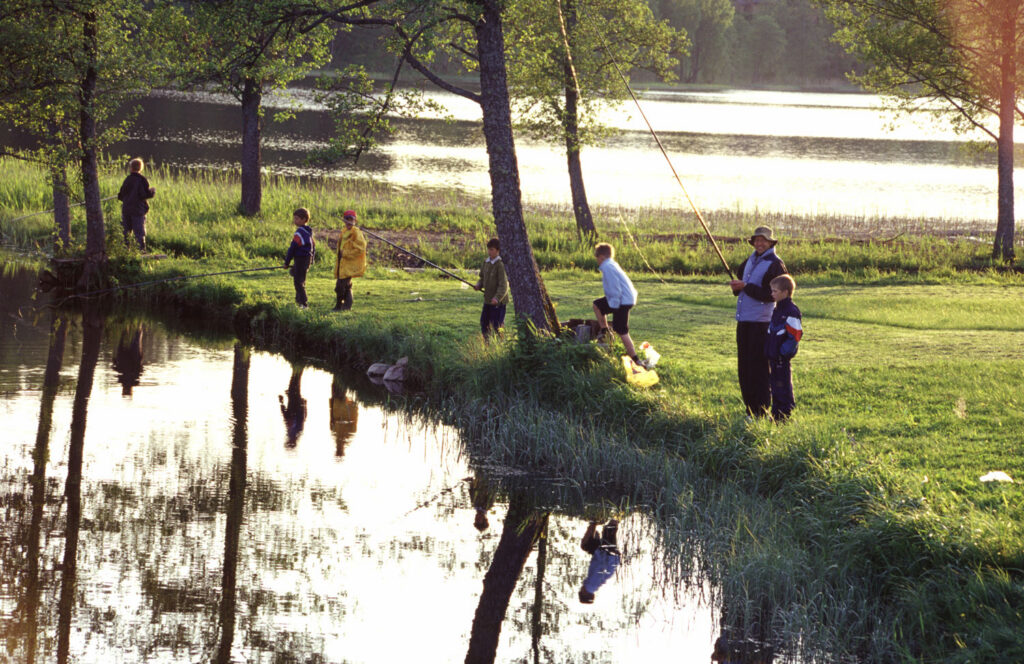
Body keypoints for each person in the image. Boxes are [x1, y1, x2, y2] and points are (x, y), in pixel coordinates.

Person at [729, 226, 788, 418]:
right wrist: (738, 287)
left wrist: (746, 286)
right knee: (744, 368)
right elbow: (742, 286)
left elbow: (773, 295)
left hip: (762, 324)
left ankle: (762, 412)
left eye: (764, 240)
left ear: (771, 243)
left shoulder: (776, 264)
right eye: (757, 240)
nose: (760, 243)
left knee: (759, 369)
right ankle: (750, 410)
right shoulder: (749, 261)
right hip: (744, 321)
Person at [592, 243, 640, 365]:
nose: (597, 261)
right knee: (597, 305)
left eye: (597, 258)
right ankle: (605, 332)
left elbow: (615, 288)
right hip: (623, 298)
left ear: (601, 257)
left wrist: (614, 307)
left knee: (621, 329)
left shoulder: (607, 267)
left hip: (622, 300)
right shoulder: (611, 264)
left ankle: (636, 359)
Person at [765, 274, 802, 421]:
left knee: (783, 386)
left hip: (781, 358)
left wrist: (783, 353)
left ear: (785, 292)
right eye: (772, 290)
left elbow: (795, 335)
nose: (772, 294)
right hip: (773, 356)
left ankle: (784, 415)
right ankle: (776, 414)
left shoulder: (791, 311)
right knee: (775, 386)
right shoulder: (777, 310)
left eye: (775, 291)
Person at [473, 238, 509, 340]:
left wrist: (497, 298)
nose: (489, 252)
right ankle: (487, 343)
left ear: (498, 250)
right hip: (488, 300)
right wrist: (478, 285)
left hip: (498, 303)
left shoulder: (500, 265)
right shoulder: (486, 262)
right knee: (484, 323)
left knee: (497, 326)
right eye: (488, 249)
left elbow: (504, 285)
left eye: (492, 249)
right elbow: (482, 278)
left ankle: (498, 344)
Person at [578, 519, 621, 604]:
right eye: (580, 591)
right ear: (584, 593)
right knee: (585, 545)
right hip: (607, 556)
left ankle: (601, 521)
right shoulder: (590, 586)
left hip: (611, 557)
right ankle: (594, 521)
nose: (580, 589)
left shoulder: (593, 587)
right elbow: (599, 569)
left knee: (609, 530)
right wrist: (601, 552)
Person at [117, 158, 155, 251]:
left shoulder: (127, 179)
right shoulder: (142, 180)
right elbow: (144, 195)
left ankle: (126, 250)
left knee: (126, 232)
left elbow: (121, 196)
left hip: (126, 210)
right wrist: (152, 192)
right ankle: (141, 251)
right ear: (140, 168)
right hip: (138, 211)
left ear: (131, 168)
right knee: (139, 233)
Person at [333, 210, 367, 312]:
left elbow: (360, 248)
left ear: (355, 221)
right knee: (345, 286)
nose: (348, 222)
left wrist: (346, 254)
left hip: (350, 264)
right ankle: (345, 306)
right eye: (346, 219)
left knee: (340, 286)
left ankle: (340, 306)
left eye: (351, 219)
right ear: (344, 220)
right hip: (342, 263)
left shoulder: (356, 233)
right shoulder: (344, 231)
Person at [283, 208, 315, 309]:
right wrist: (312, 260)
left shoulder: (299, 232)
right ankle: (298, 301)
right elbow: (313, 246)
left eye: (296, 219)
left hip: (300, 259)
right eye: (294, 218)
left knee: (298, 282)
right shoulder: (308, 232)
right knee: (301, 279)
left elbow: (292, 248)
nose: (294, 221)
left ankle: (304, 303)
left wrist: (287, 262)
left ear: (304, 219)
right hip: (306, 259)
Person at [279, 365, 307, 448]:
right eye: (288, 442)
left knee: (294, 383)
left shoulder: (292, 432)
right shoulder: (297, 431)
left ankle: (298, 367)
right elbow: (302, 417)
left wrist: (281, 402)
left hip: (293, 403)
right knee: (295, 384)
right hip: (296, 403)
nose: (287, 440)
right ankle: (299, 366)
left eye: (287, 442)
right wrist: (304, 405)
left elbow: (286, 417)